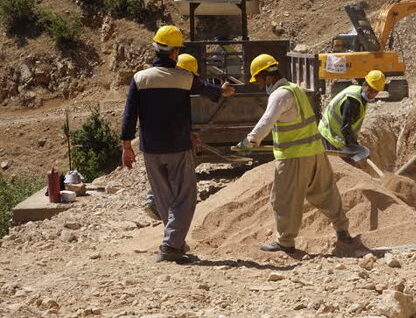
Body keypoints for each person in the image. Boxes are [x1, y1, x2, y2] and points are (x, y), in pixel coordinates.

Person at [121, 25, 235, 263]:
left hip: (150, 149)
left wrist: (126, 147)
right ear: (174, 53)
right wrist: (223, 91)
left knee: (164, 198)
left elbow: (129, 114)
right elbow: (209, 90)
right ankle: (170, 246)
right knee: (185, 197)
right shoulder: (184, 78)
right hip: (177, 146)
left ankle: (175, 242)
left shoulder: (140, 79)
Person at [237, 54, 351, 253]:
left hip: (293, 156)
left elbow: (267, 121)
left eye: (259, 80)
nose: (259, 85)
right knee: (325, 193)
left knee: (284, 199)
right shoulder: (295, 89)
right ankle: (342, 229)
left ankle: (286, 241)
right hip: (316, 152)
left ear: (268, 76)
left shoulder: (279, 95)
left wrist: (250, 141)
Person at [142, 53, 211, 221]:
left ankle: (156, 202)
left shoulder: (167, 87)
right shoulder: (183, 89)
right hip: (176, 141)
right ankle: (158, 204)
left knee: (166, 175)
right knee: (177, 175)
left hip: (159, 140)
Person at [318, 70, 385, 152]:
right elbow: (346, 128)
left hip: (336, 136)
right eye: (370, 90)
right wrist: (355, 145)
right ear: (365, 85)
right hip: (330, 136)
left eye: (375, 92)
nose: (372, 94)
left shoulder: (359, 95)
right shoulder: (352, 102)